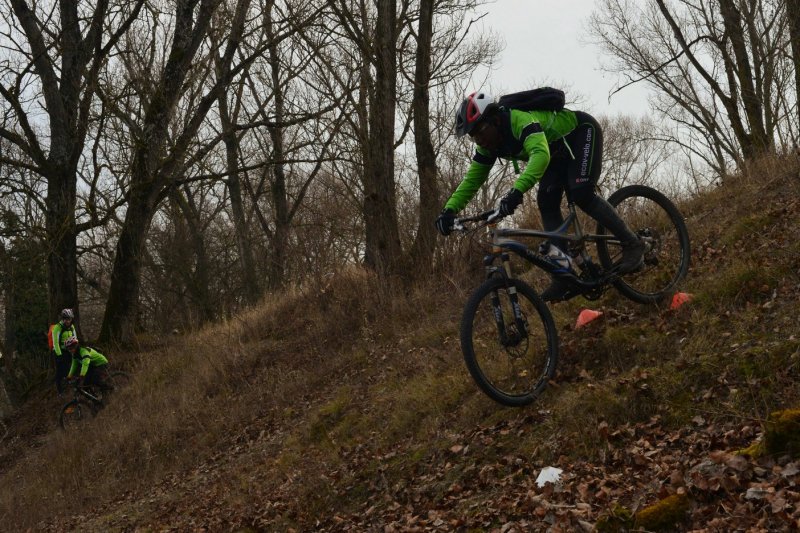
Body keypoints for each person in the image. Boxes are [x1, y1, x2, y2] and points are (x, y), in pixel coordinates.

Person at [435, 91, 645, 301]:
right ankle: (563, 274)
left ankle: (633, 243)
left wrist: (516, 191)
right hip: (556, 154)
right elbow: (472, 180)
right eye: (474, 137)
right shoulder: (490, 146)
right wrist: (449, 210)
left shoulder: (519, 121)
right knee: (547, 203)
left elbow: (540, 154)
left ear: (494, 120)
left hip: (580, 134)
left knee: (581, 193)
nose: (479, 140)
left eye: (480, 132)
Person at [51, 308, 78, 395]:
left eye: (69, 319)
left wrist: (76, 349)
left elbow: (75, 338)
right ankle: (60, 391)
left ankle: (72, 385)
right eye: (66, 319)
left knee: (72, 367)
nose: (67, 321)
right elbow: (55, 343)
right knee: (60, 372)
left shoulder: (72, 327)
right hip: (59, 351)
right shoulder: (57, 328)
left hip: (69, 350)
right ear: (62, 319)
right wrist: (59, 355)